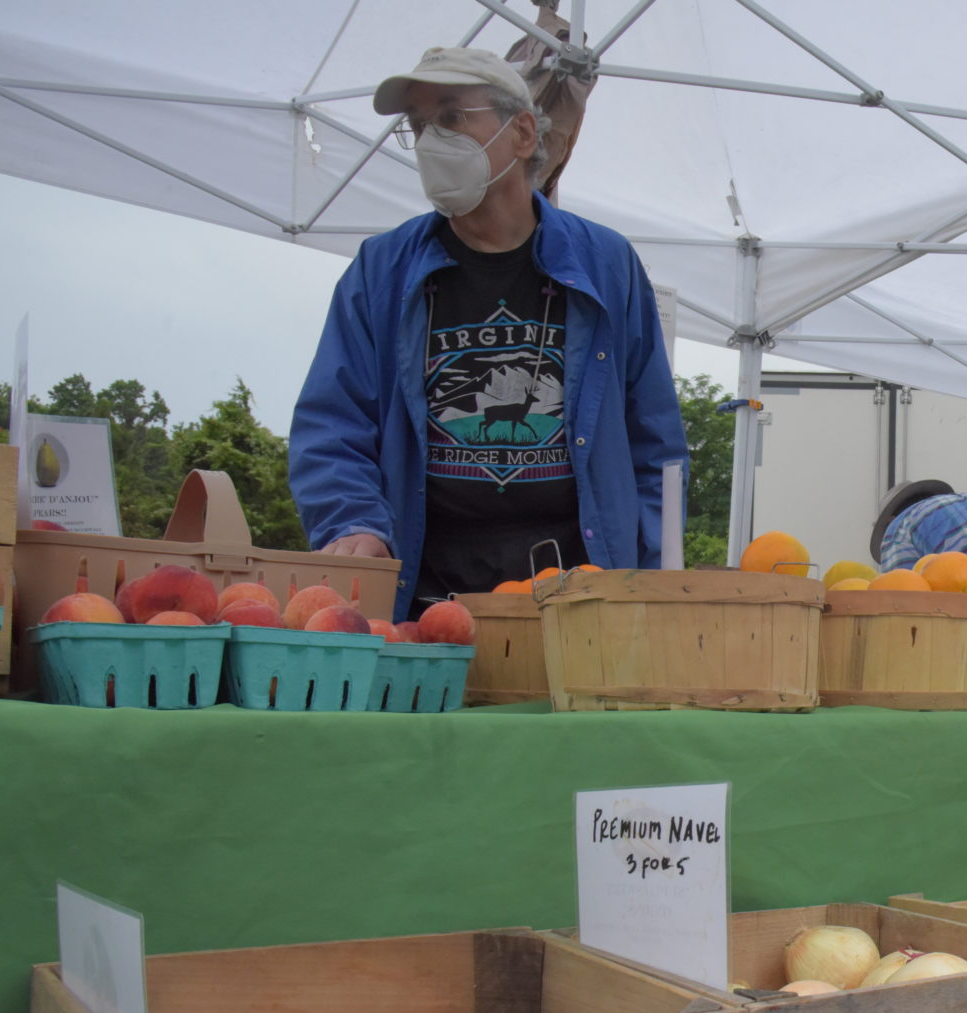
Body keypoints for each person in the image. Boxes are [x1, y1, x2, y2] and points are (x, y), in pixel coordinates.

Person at [289, 47, 688, 620]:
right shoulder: (383, 268)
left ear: (522, 132)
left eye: (451, 117)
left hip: (583, 589)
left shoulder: (605, 262)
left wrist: (655, 577)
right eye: (418, 126)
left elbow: (655, 439)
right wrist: (352, 522)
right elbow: (332, 422)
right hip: (425, 593)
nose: (430, 142)